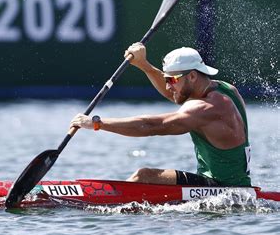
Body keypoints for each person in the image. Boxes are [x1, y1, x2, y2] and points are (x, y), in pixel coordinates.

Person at [70, 43, 251, 187]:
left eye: (171, 80)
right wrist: (145, 66)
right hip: (226, 184)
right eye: (166, 80)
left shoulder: (206, 109)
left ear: (193, 76)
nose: (167, 86)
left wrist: (97, 123)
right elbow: (176, 94)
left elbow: (153, 126)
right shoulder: (225, 89)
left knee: (144, 176)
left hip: (224, 189)